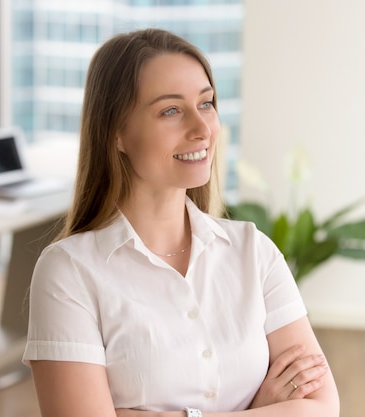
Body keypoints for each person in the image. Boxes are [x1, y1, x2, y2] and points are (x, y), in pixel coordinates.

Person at [23, 28, 340, 417]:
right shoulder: (68, 273)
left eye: (206, 104)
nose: (202, 129)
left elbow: (319, 408)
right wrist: (260, 408)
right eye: (171, 110)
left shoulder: (252, 251)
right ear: (116, 132)